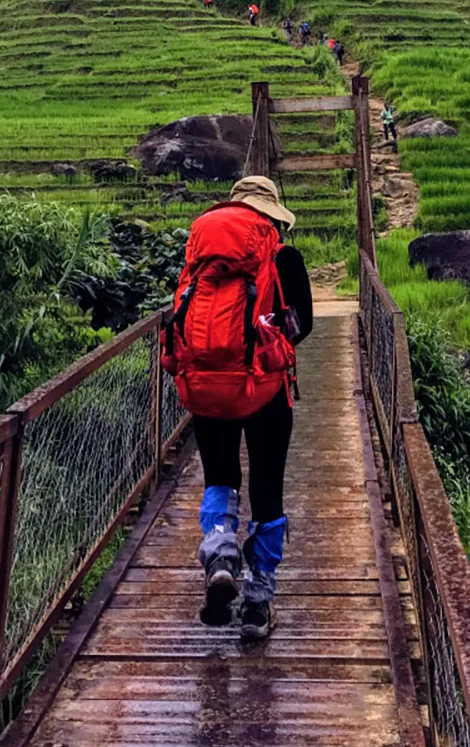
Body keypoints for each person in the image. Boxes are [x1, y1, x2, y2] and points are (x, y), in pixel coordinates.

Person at [163, 177, 312, 640]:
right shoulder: (283, 256)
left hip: (206, 386)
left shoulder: (202, 255)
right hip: (266, 390)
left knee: (220, 477)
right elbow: (300, 325)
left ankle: (222, 553)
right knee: (267, 488)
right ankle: (257, 602)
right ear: (272, 216)